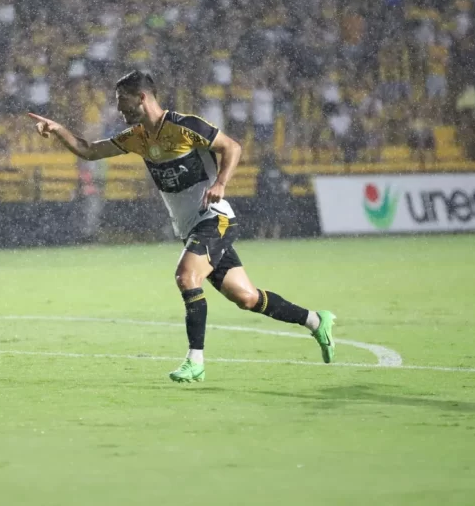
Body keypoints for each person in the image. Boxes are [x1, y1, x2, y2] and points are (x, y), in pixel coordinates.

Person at [28, 71, 335, 383]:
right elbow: (89, 150)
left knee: (186, 276)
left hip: (215, 218)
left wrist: (221, 183)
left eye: (123, 101)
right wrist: (57, 129)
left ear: (142, 98)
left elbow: (232, 147)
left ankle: (195, 361)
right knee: (247, 298)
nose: (119, 108)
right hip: (191, 227)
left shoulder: (184, 126)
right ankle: (315, 320)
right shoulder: (137, 137)